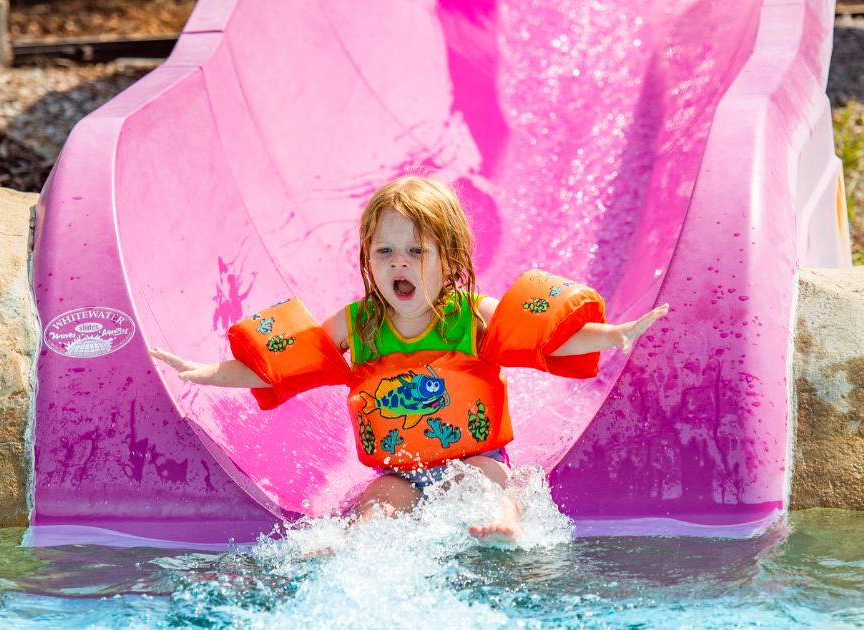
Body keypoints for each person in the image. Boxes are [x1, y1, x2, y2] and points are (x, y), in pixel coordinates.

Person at [150, 175, 668, 544]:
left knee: (486, 484)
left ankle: (505, 521)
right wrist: (211, 373)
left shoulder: (471, 317)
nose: (399, 262)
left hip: (475, 454)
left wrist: (612, 334)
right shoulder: (359, 325)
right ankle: (353, 543)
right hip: (403, 468)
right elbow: (282, 363)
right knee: (379, 501)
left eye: (416, 252)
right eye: (385, 252)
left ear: (450, 260)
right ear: (367, 261)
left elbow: (545, 338)